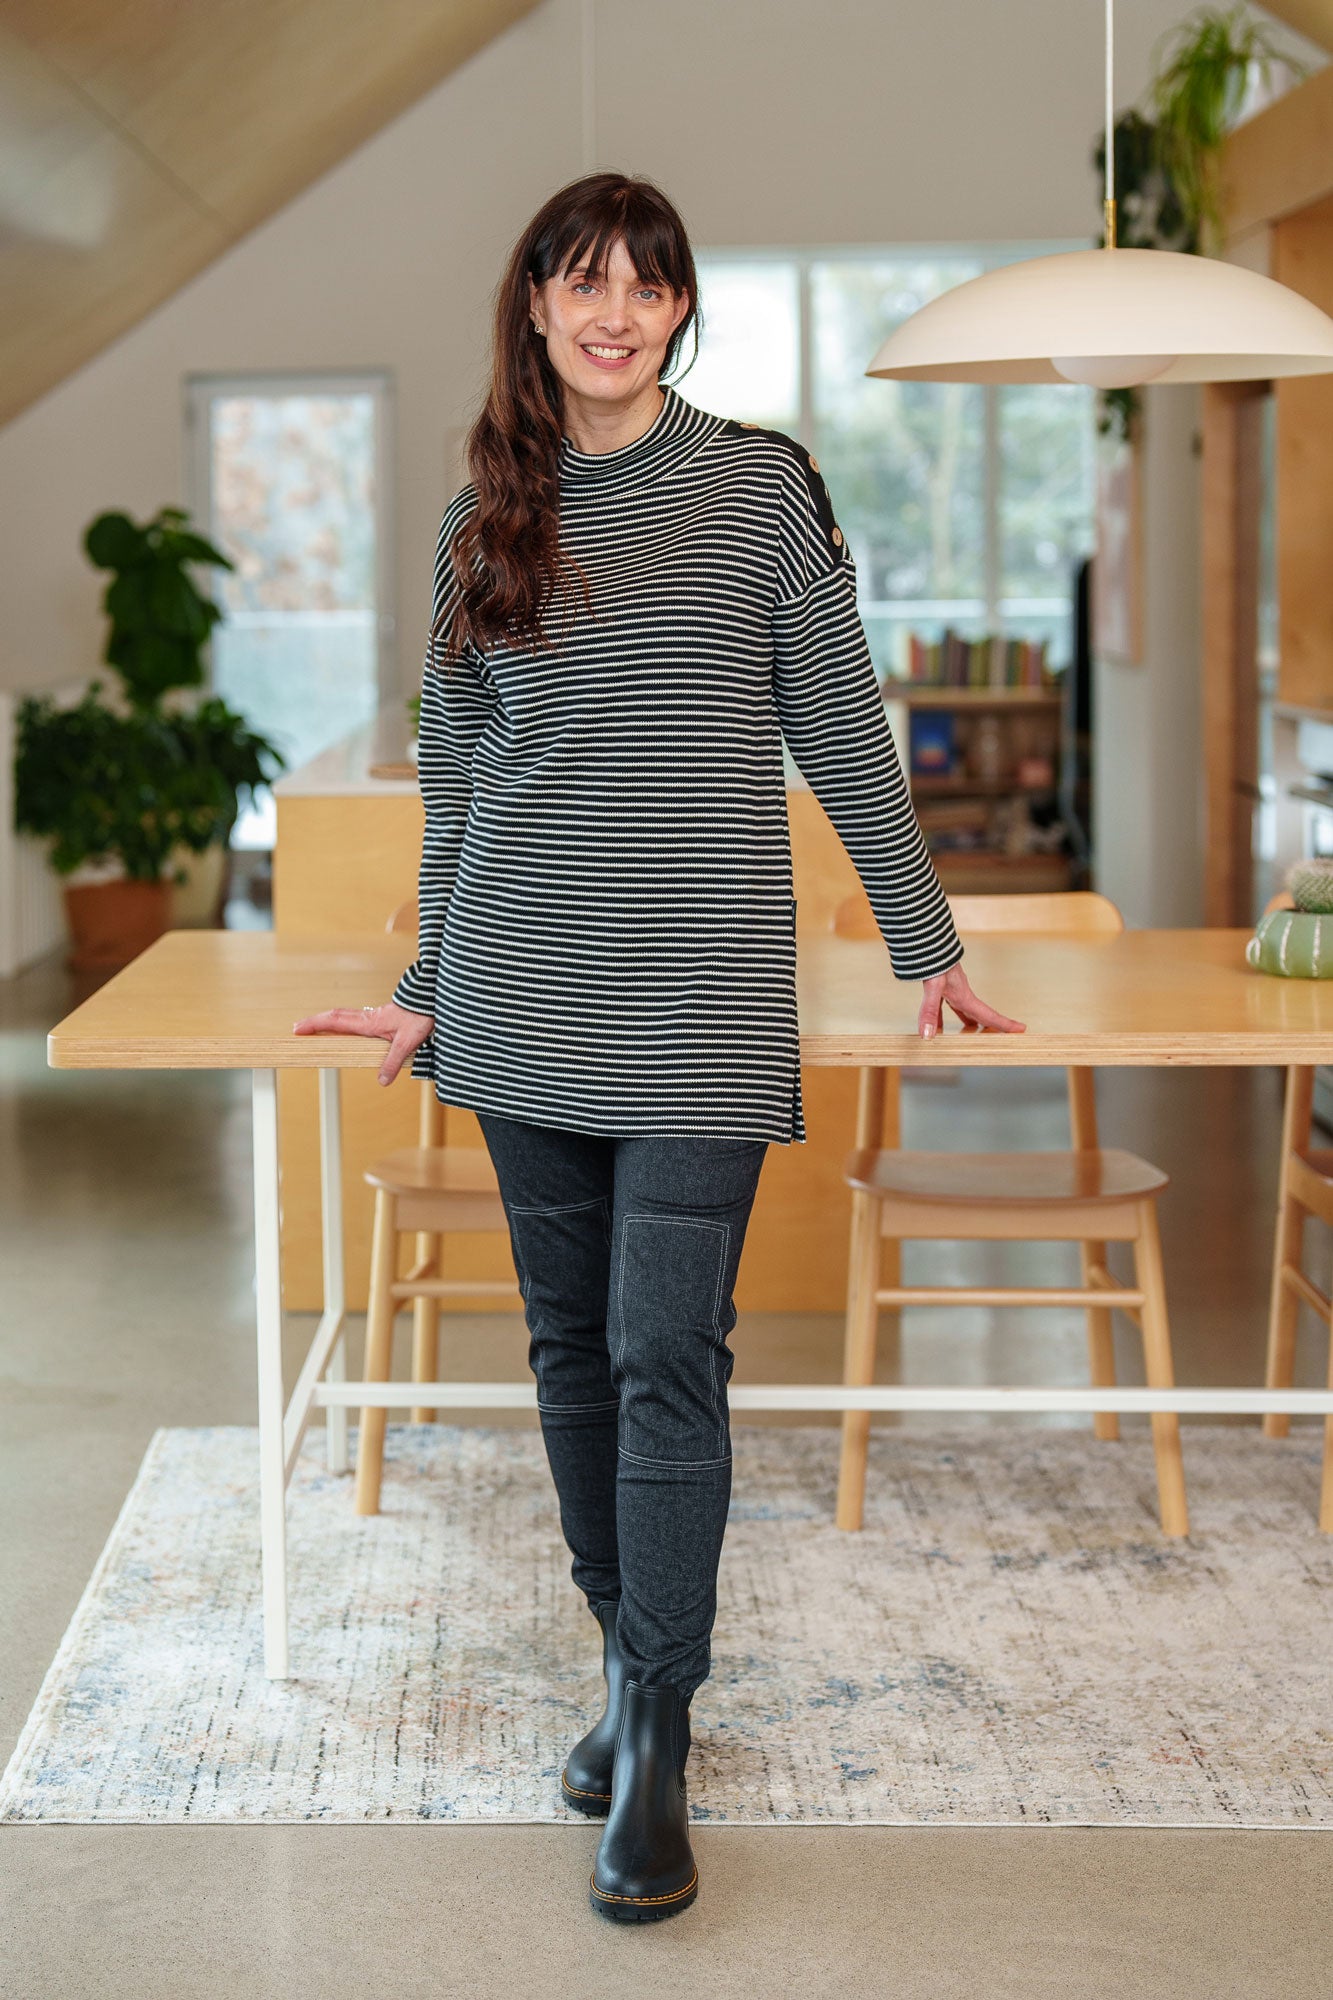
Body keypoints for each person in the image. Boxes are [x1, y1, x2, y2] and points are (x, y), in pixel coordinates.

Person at [295, 170, 1026, 1921]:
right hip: (519, 994)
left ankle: (659, 1730)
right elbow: (463, 776)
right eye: (582, 282)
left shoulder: (761, 490)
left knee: (661, 1354)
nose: (613, 312)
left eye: (645, 283)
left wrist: (926, 939)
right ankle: (625, 1673)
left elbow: (839, 726)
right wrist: (428, 978)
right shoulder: (488, 518)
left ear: (680, 308)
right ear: (536, 307)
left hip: (701, 1007)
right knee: (565, 1351)